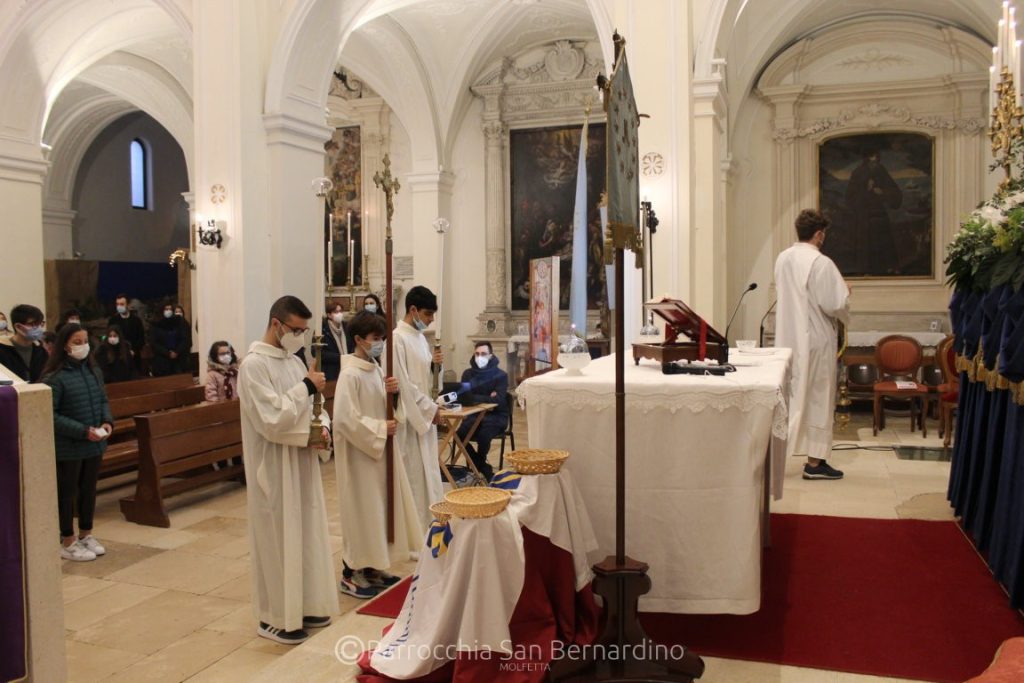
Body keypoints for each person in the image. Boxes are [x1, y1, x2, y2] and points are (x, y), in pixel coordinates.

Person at [237, 295, 336, 645]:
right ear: (276, 324)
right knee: (278, 539)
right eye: (296, 329)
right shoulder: (253, 366)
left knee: (305, 532)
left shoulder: (293, 361)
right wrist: (307, 386)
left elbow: (315, 406)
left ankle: (306, 604)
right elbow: (271, 419)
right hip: (274, 466)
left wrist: (323, 427)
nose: (300, 336)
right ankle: (276, 616)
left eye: (305, 331)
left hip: (302, 462)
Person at [333, 311, 421, 598]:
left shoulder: (376, 368)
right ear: (358, 339)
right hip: (361, 456)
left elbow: (384, 408)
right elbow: (346, 419)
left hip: (379, 452)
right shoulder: (350, 374)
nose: (380, 344)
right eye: (376, 339)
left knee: (379, 510)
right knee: (362, 510)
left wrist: (391, 396)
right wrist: (381, 428)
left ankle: (373, 566)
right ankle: (351, 571)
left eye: (383, 339)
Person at [774, 209, 850, 481]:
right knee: (818, 395)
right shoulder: (821, 263)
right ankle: (815, 463)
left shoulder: (783, 258)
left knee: (789, 398)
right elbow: (835, 304)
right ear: (819, 234)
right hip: (815, 340)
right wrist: (846, 293)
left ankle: (776, 457)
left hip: (788, 338)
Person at [42, 323, 113, 562]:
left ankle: (86, 534)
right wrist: (83, 431)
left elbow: (103, 399)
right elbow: (50, 415)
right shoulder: (55, 377)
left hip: (94, 443)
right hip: (70, 446)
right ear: (64, 346)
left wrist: (106, 422)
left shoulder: (93, 370)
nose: (83, 346)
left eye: (85, 341)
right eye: (77, 342)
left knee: (88, 490)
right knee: (67, 492)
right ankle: (67, 540)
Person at [393, 286, 444, 528]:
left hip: (424, 416)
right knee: (415, 476)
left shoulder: (420, 338)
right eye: (427, 314)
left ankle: (432, 524)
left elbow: (424, 379)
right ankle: (416, 534)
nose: (430, 319)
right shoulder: (397, 339)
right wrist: (429, 410)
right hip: (411, 421)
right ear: (412, 309)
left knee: (430, 475)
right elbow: (404, 384)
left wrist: (435, 368)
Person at [455, 342, 509, 481]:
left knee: (484, 435)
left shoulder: (501, 375)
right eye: (477, 354)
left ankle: (477, 465)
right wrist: (487, 397)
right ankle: (483, 467)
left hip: (496, 416)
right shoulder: (467, 374)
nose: (480, 357)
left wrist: (474, 397)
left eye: (483, 354)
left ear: (490, 356)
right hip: (473, 415)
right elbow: (464, 399)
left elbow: (500, 401)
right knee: (459, 435)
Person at [0, 304, 49, 382]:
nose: (38, 328)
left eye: (40, 323)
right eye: (33, 324)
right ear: (18, 327)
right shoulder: (3, 350)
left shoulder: (40, 350)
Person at [150, 302, 191, 376]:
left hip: (178, 358)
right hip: (162, 360)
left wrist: (176, 351)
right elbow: (154, 343)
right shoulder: (155, 324)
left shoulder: (178, 322)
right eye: (166, 309)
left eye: (170, 309)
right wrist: (167, 353)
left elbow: (184, 338)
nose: (168, 311)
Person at [108, 294, 145, 372]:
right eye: (117, 304)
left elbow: (141, 339)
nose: (119, 306)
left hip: (134, 358)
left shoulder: (136, 321)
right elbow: (109, 338)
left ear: (128, 305)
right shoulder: (113, 321)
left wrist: (134, 350)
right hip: (118, 358)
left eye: (122, 304)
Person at [321, 301, 352, 382]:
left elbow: (352, 345)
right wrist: (340, 358)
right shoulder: (322, 330)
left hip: (348, 368)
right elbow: (318, 353)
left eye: (341, 311)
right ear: (329, 315)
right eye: (336, 312)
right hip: (331, 372)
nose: (339, 314)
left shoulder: (347, 327)